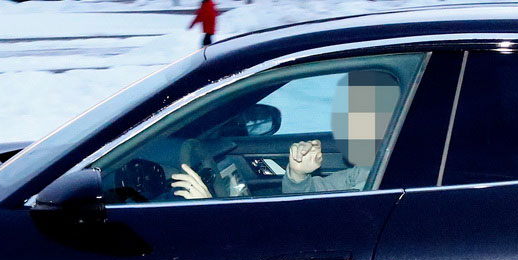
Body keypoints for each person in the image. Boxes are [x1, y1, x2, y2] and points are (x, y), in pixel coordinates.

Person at [170, 69, 402, 200]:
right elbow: (307, 199)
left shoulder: (391, 184)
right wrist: (298, 174)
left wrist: (209, 208)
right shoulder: (365, 172)